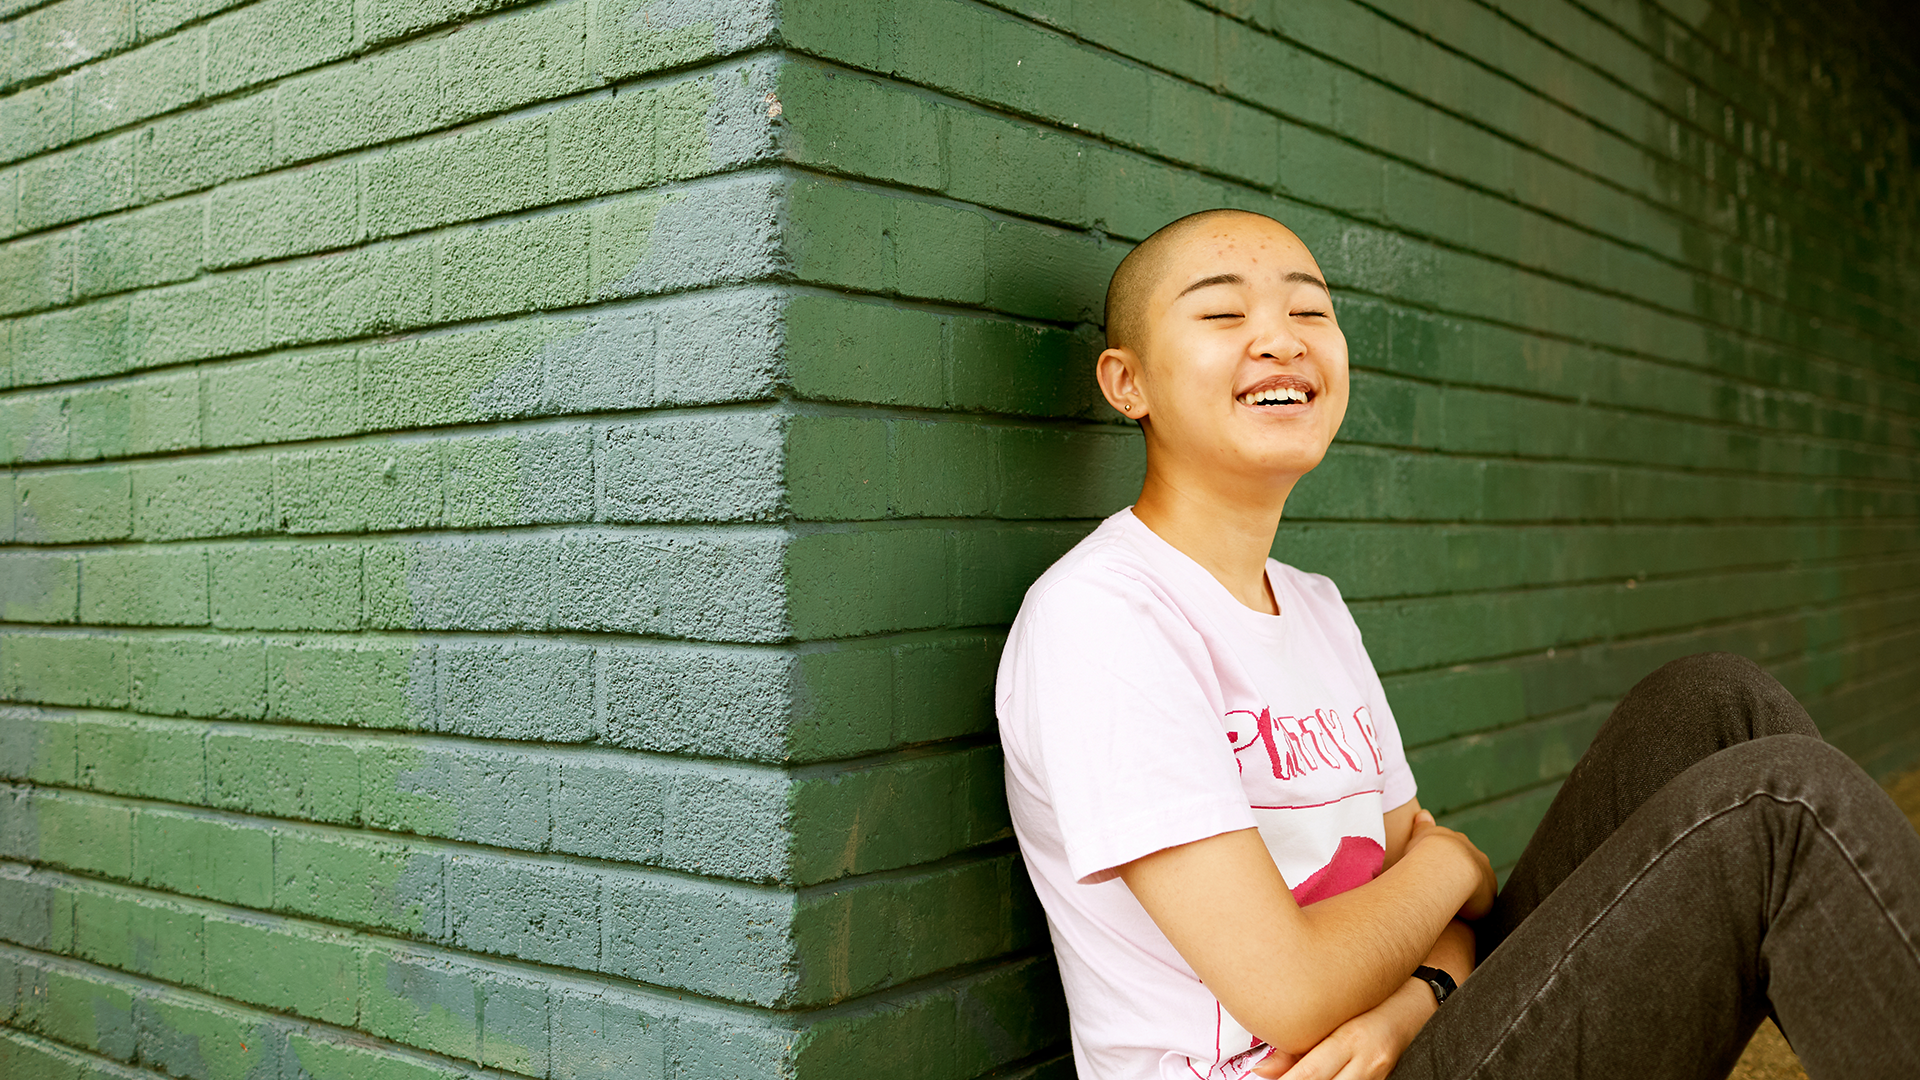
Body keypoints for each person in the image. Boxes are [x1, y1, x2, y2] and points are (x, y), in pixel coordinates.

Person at [994, 208, 1920, 1080]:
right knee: (1782, 808)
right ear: (1128, 383)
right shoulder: (1105, 618)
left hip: (1417, 1039)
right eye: (1226, 311)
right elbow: (1297, 986)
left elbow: (1449, 916)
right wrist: (1446, 865)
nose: (1280, 337)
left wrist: (1420, 995)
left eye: (1310, 309)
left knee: (1714, 703)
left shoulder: (1311, 607)